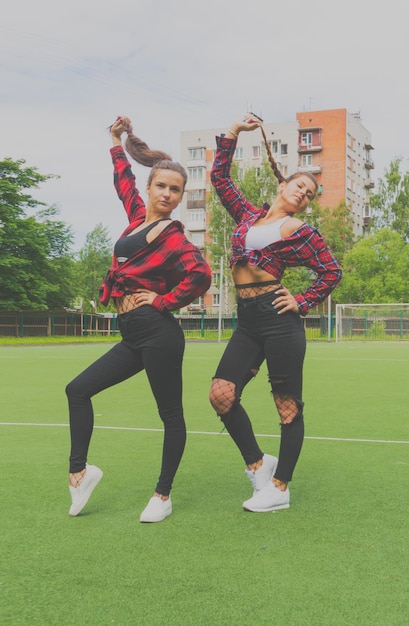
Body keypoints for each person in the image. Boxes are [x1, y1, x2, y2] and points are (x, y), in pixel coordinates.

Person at [66, 116, 211, 523]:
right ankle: (80, 471)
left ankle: (162, 495)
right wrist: (116, 141)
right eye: (161, 186)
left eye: (175, 189)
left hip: (157, 332)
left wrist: (164, 301)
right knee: (77, 390)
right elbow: (123, 182)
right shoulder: (136, 217)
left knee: (170, 415)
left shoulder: (173, 235)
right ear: (150, 189)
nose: (167, 193)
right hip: (131, 333)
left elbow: (200, 275)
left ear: (181, 197)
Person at [209, 113, 342, 512]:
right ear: (283, 184)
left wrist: (301, 301)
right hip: (247, 321)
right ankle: (257, 464)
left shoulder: (300, 232)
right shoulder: (247, 215)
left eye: (309, 193)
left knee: (287, 406)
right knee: (221, 395)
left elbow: (331, 270)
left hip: (279, 320)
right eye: (300, 185)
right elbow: (220, 179)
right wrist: (234, 131)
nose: (303, 194)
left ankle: (280, 488)